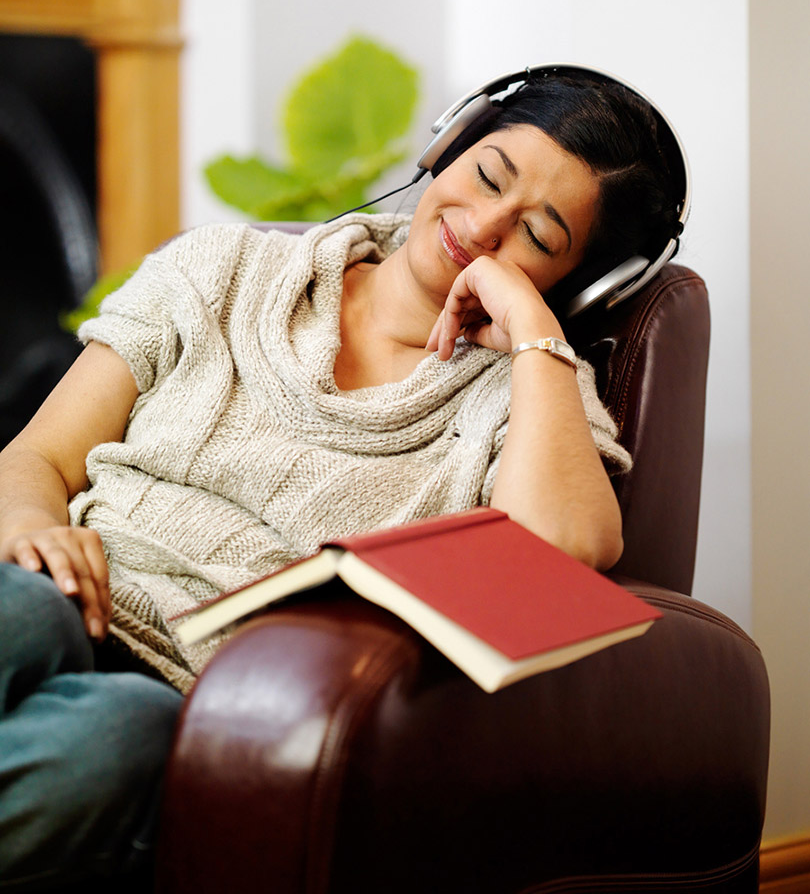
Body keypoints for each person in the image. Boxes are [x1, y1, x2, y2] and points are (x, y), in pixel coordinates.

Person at [0, 68, 684, 889]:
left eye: (538, 237)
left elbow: (563, 545)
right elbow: (33, 458)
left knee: (128, 729)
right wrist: (35, 529)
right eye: (488, 175)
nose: (485, 225)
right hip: (69, 597)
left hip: (207, 696)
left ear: (588, 283)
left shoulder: (534, 399)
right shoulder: (224, 269)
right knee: (24, 609)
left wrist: (536, 333)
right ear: (446, 145)